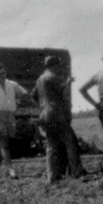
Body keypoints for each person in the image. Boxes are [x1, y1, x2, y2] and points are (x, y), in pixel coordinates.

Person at [32, 55, 85, 183]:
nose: (60, 68)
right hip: (56, 113)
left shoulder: (40, 79)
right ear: (54, 66)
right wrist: (67, 81)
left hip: (44, 114)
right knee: (70, 141)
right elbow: (62, 92)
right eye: (59, 66)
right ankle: (77, 172)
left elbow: (33, 95)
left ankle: (52, 177)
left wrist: (41, 107)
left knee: (51, 145)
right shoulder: (52, 77)